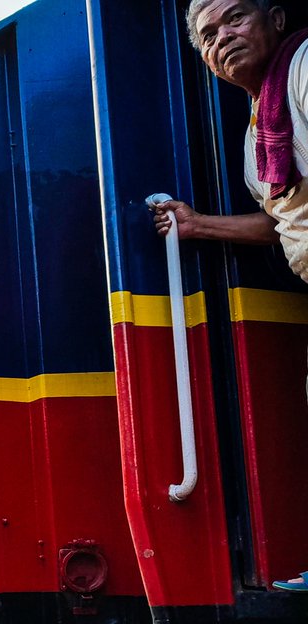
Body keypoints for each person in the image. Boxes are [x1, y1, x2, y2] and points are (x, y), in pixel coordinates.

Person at [154, 0, 308, 591]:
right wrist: (197, 226)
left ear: (275, 17)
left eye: (235, 19)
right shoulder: (257, 129)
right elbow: (281, 223)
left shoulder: (302, 71)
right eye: (208, 35)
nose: (223, 39)